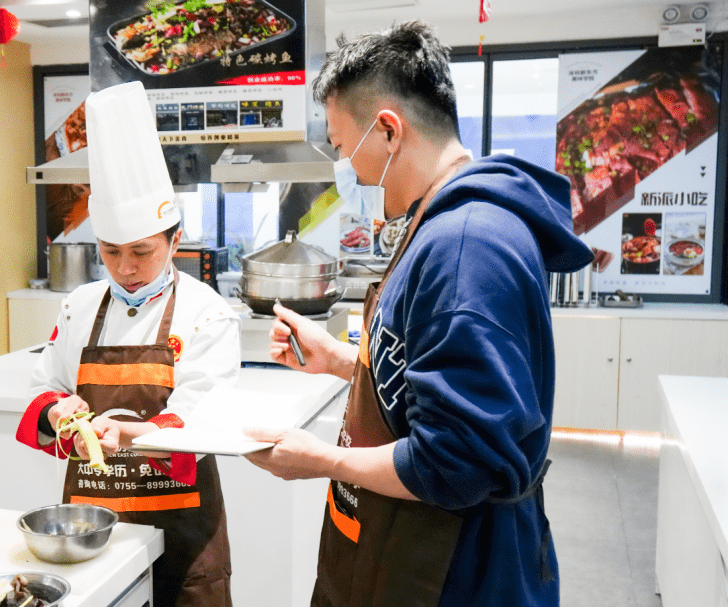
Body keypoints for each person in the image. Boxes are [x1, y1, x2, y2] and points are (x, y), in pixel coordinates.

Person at [243, 21, 594, 607]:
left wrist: (317, 460)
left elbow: (455, 461)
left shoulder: (466, 245)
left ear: (387, 131)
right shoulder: (432, 222)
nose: (343, 170)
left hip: (456, 570)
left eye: (340, 146)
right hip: (406, 547)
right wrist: (340, 363)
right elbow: (429, 384)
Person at [15, 81, 241, 607]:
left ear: (175, 241)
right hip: (92, 525)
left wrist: (131, 434)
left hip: (183, 522)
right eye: (111, 251)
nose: (127, 268)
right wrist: (56, 410)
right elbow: (42, 386)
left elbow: (206, 416)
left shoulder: (206, 311)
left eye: (142, 250)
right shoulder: (79, 305)